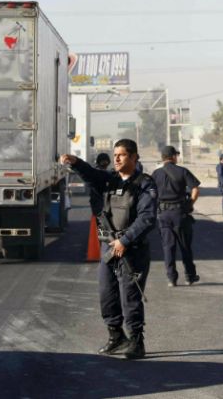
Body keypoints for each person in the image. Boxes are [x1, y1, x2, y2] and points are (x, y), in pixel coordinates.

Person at [59, 139, 156, 360]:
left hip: (131, 250)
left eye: (122, 155)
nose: (117, 159)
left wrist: (126, 240)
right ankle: (116, 336)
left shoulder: (144, 184)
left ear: (134, 157)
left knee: (130, 297)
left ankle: (136, 341)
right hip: (109, 249)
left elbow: (148, 218)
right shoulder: (111, 180)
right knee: (107, 294)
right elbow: (91, 175)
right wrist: (75, 162)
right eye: (115, 155)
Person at [151, 145, 201, 287]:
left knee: (168, 247)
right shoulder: (182, 171)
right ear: (173, 157)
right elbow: (195, 189)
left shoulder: (156, 174)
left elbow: (150, 194)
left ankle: (172, 279)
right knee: (185, 246)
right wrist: (190, 204)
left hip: (163, 215)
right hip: (180, 213)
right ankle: (190, 277)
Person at [89, 153, 111, 217]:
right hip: (98, 201)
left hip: (100, 201)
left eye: (106, 162)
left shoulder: (105, 172)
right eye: (103, 162)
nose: (105, 164)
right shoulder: (97, 173)